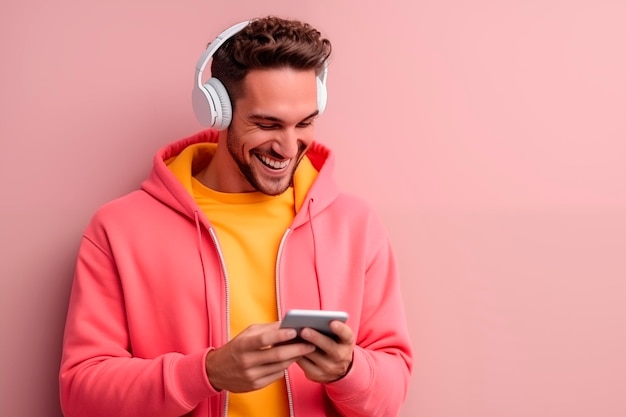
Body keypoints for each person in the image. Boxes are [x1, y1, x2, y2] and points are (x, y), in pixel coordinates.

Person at [59, 16, 413, 417]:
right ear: (218, 111)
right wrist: (206, 373)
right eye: (266, 124)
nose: (287, 146)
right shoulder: (118, 230)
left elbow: (392, 390)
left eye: (305, 123)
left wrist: (348, 370)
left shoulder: (355, 226)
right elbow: (81, 397)